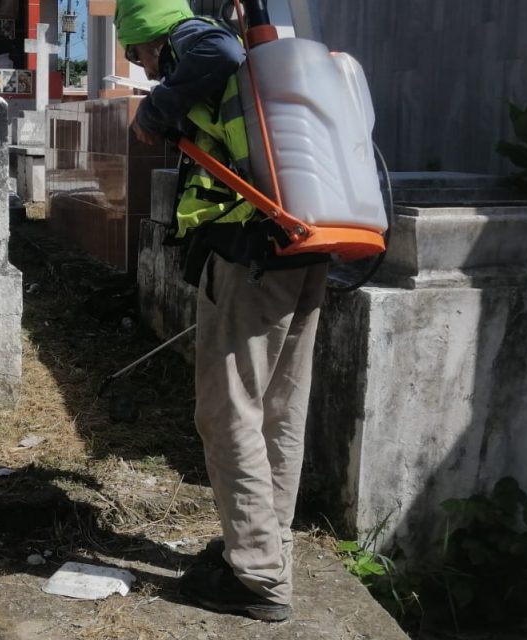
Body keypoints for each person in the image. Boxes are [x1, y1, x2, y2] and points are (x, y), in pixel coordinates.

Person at [114, 0, 330, 623]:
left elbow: (218, 52)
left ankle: (259, 576)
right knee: (280, 409)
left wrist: (156, 112)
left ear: (150, 36)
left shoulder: (199, 43)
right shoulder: (249, 58)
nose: (146, 69)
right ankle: (265, 546)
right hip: (306, 241)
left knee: (228, 409)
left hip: (251, 249)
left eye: (138, 53)